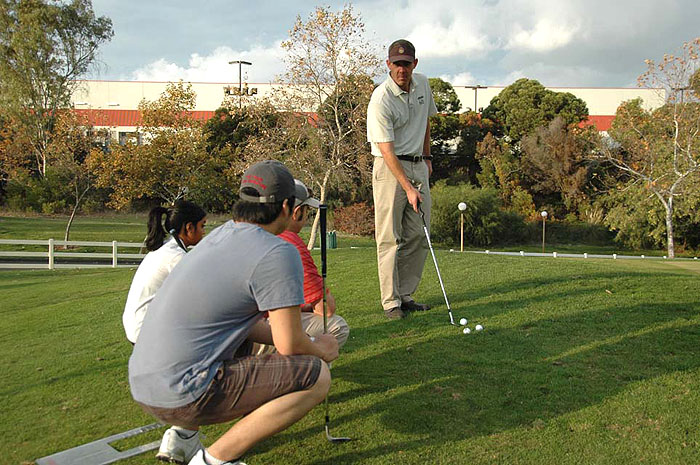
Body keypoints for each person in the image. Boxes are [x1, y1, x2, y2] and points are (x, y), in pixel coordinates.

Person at [128, 160, 339, 465]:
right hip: (183, 393)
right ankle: (214, 461)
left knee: (239, 338)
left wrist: (303, 338)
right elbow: (289, 345)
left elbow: (243, 324)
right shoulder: (279, 251)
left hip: (143, 381)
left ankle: (182, 439)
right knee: (317, 376)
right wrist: (323, 347)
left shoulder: (218, 236)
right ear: (285, 207)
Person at [121, 200, 208, 463]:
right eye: (202, 227)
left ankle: (180, 438)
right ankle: (179, 438)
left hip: (142, 329)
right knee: (209, 371)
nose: (204, 233)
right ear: (188, 227)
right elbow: (202, 296)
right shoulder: (175, 257)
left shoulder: (166, 250)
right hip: (148, 333)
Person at [366, 39, 438, 319]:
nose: (402, 69)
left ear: (414, 64)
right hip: (389, 168)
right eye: (396, 64)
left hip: (418, 164)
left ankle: (406, 294)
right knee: (389, 238)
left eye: (406, 63)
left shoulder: (423, 84)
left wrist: (428, 158)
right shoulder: (380, 98)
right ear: (388, 65)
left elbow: (426, 121)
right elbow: (386, 149)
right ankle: (390, 302)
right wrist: (407, 187)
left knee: (419, 234)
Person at [274, 179, 349, 349]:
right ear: (296, 212)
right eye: (307, 210)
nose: (307, 216)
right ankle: (308, 372)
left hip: (231, 331)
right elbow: (326, 309)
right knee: (336, 327)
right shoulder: (290, 243)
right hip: (257, 331)